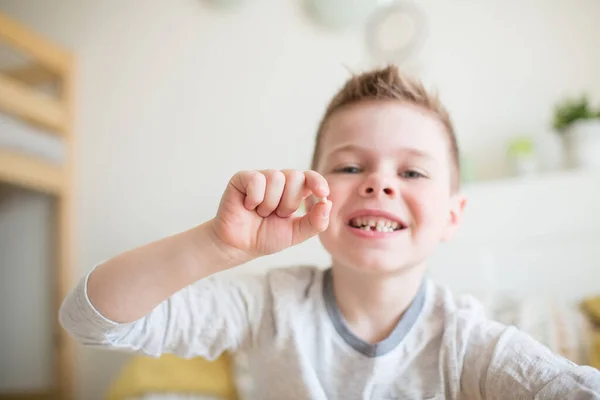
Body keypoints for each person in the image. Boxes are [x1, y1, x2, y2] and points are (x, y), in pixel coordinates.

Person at [59, 65, 600, 399]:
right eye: (349, 167)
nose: (378, 184)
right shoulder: (272, 306)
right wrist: (216, 245)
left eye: (411, 172)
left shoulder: (470, 343)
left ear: (452, 216)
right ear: (314, 192)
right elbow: (89, 320)